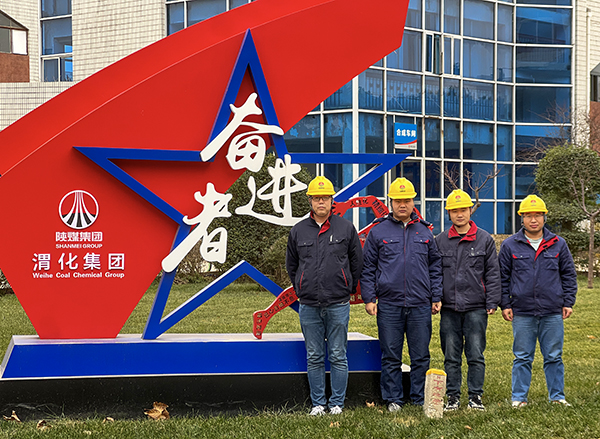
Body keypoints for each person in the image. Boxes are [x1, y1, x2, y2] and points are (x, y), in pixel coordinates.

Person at [360, 177, 443, 412]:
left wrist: (436, 296)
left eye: (406, 200)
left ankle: (419, 397)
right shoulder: (378, 231)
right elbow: (368, 268)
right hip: (389, 304)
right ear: (391, 203)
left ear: (413, 201)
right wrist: (369, 298)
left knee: (421, 355)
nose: (402, 205)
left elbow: (435, 266)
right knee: (390, 355)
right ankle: (393, 399)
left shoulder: (425, 231)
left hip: (420, 304)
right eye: (398, 201)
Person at [286, 176, 363, 416]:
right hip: (309, 304)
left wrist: (347, 286)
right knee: (314, 356)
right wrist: (301, 287)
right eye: (317, 198)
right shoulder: (298, 230)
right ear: (310, 200)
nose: (321, 202)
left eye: (325, 198)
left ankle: (337, 403)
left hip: (338, 303)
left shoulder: (346, 228)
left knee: (338, 354)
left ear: (332, 201)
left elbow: (356, 262)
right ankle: (318, 403)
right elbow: (292, 265)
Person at [499, 194, 577, 408]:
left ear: (544, 217)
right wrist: (505, 304)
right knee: (522, 357)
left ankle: (557, 397)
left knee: (553, 356)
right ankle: (519, 398)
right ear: (521, 218)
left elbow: (568, 275)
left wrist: (568, 301)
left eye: (538, 215)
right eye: (528, 216)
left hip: (552, 311)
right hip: (522, 311)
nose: (533, 220)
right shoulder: (510, 245)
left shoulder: (558, 244)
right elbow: (502, 277)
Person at [435, 189, 501, 411]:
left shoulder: (484, 239)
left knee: (475, 354)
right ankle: (452, 396)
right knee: (451, 356)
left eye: (463, 209)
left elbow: (493, 273)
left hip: (476, 308)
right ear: (449, 213)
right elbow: (435, 273)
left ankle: (475, 396)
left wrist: (492, 301)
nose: (459, 214)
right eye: (454, 211)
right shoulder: (440, 241)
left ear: (470, 211)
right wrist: (436, 298)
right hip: (449, 308)